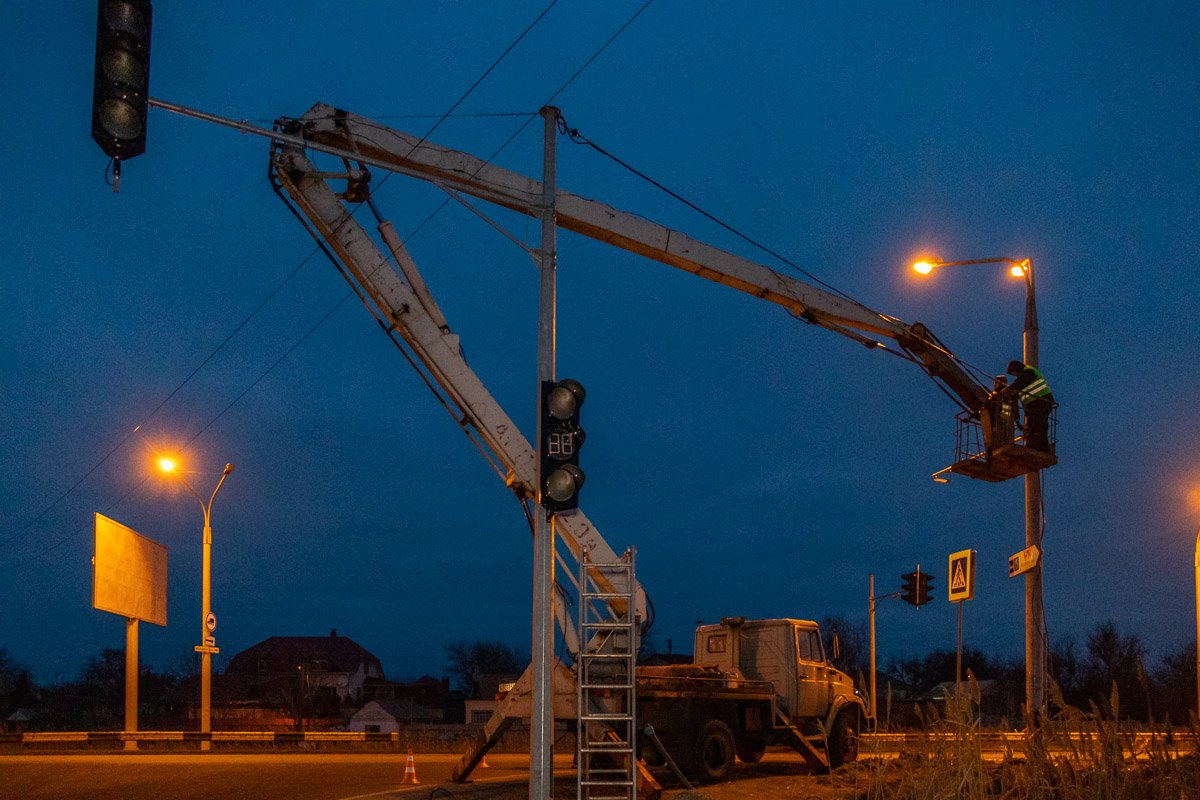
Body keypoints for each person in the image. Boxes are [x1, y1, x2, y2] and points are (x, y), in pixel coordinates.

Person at [1004, 360, 1056, 451]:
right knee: (1037, 426)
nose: (1014, 375)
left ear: (1016, 368)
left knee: (1037, 426)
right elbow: (1017, 391)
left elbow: (1018, 384)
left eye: (1013, 373)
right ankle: (1039, 447)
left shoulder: (1029, 372)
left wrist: (1007, 390)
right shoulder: (1025, 375)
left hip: (1041, 402)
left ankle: (1035, 447)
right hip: (1036, 404)